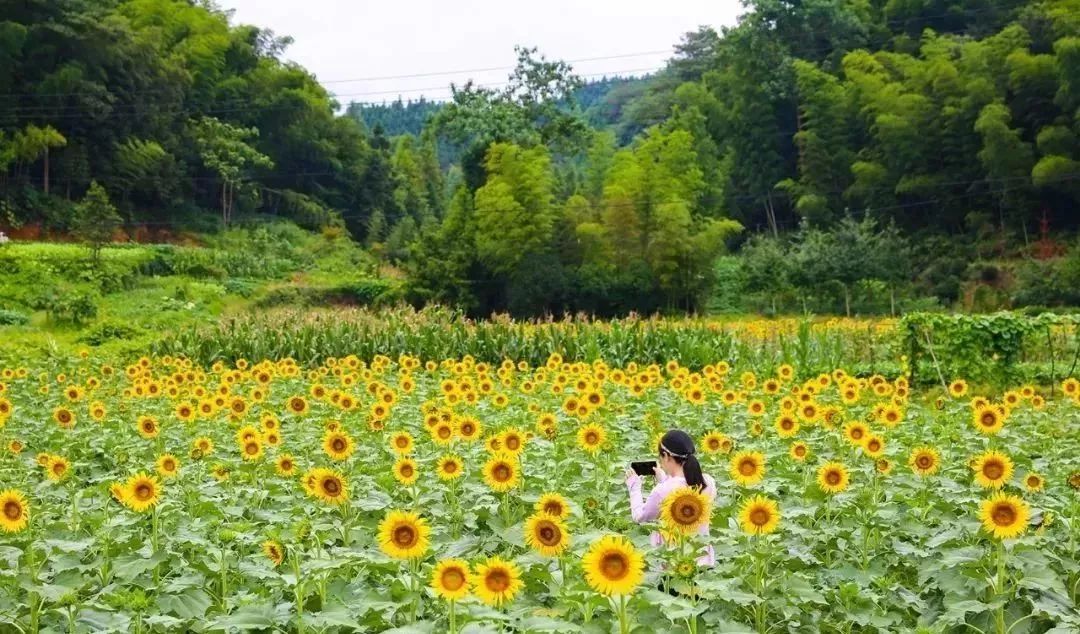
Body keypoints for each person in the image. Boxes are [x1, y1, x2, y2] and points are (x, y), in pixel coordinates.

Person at [624, 429, 717, 565]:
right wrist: (664, 479)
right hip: (703, 560)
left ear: (666, 455)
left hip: (675, 563)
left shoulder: (662, 490)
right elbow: (682, 488)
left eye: (660, 457)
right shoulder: (708, 482)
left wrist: (634, 486)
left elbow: (640, 516)